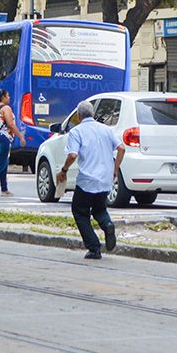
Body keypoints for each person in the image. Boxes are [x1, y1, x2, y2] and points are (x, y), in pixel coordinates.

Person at [58, 101, 125, 259]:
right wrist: (115, 169)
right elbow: (121, 148)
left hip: (87, 179)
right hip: (105, 178)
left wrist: (64, 170)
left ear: (78, 116)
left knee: (80, 211)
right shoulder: (106, 129)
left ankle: (94, 248)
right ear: (93, 114)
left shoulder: (76, 131)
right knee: (99, 208)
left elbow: (72, 155)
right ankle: (107, 225)